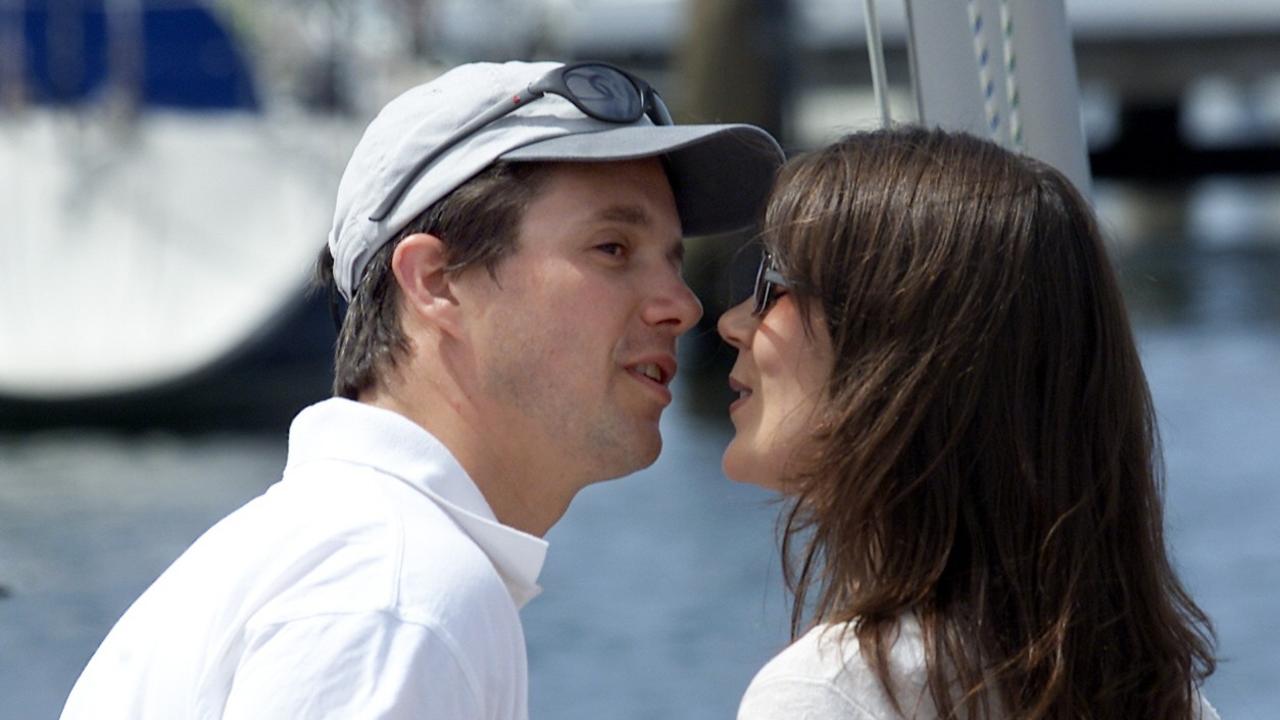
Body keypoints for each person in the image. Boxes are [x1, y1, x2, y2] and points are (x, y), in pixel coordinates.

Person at [61, 60, 783, 719]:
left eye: (672, 260)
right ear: (437, 283)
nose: (682, 304)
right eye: (612, 249)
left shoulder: (355, 555)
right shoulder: (401, 597)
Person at [719, 127, 1218, 719]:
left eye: (773, 284)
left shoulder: (829, 696)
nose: (732, 321)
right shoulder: (1167, 699)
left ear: (897, 356)